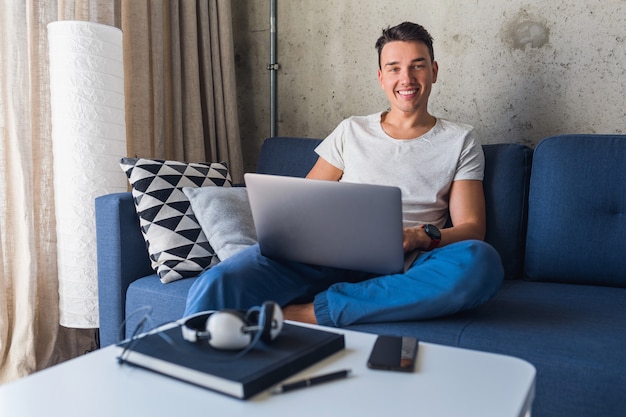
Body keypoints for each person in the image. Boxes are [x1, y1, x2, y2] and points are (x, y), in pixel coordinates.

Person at [184, 21, 504, 326]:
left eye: (417, 65)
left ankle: (311, 312)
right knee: (218, 282)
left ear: (433, 71)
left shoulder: (461, 139)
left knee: (480, 263)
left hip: (409, 264)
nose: (406, 78)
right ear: (381, 77)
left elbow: (472, 229)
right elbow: (301, 205)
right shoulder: (351, 130)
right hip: (329, 256)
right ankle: (188, 364)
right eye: (394, 68)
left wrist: (419, 235)